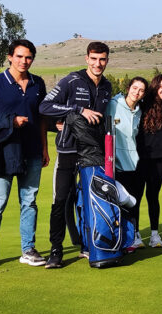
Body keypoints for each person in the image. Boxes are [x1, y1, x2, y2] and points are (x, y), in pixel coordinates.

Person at [0, 39, 48, 270]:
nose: (24, 61)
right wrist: (10, 122)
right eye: (19, 56)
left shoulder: (38, 84)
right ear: (10, 57)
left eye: (28, 57)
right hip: (3, 153)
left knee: (29, 202)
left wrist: (44, 148)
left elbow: (42, 119)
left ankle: (28, 250)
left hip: (32, 151)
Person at [39, 43, 113, 263]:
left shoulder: (107, 86)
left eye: (102, 59)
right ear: (86, 59)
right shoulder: (71, 81)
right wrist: (77, 110)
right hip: (68, 150)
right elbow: (45, 106)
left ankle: (87, 243)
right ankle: (55, 250)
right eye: (94, 59)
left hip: (93, 153)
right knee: (61, 200)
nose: (97, 63)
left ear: (107, 60)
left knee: (90, 199)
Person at [136, 74, 162, 247]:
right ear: (155, 86)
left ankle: (155, 235)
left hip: (158, 160)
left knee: (153, 197)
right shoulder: (143, 105)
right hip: (139, 160)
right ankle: (136, 235)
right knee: (136, 198)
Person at [108, 77, 148, 251]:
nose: (137, 92)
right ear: (128, 88)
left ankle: (131, 238)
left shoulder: (139, 111)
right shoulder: (113, 104)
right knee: (118, 205)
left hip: (134, 165)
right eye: (134, 88)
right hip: (115, 165)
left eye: (141, 90)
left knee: (133, 203)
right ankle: (117, 240)